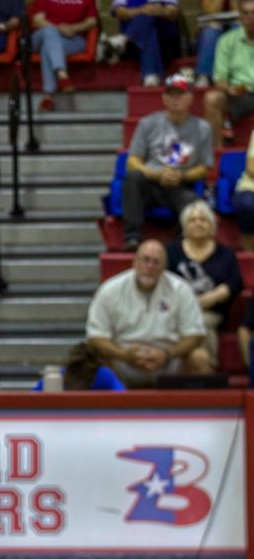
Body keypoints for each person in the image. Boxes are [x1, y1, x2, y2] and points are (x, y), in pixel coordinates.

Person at [86, 240, 209, 386]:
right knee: (94, 356)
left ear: (164, 267)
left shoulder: (181, 289)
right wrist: (124, 355)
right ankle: (112, 400)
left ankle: (190, 402)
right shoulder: (110, 290)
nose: (150, 266)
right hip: (122, 362)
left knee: (200, 357)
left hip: (169, 363)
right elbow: (96, 336)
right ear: (134, 262)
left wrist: (167, 354)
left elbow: (195, 335)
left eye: (156, 262)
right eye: (145, 260)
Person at [121, 72, 213, 252]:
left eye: (180, 94)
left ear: (190, 98)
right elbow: (132, 161)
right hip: (150, 182)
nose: (175, 99)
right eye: (171, 94)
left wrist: (181, 176)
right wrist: (156, 174)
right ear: (163, 98)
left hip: (180, 185)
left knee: (194, 203)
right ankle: (132, 237)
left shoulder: (203, 128)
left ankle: (177, 247)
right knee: (133, 178)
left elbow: (204, 168)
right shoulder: (147, 123)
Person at [166, 199, 242, 367]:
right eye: (192, 220)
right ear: (184, 226)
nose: (198, 223)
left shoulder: (225, 254)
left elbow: (236, 282)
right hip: (177, 310)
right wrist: (190, 303)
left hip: (213, 311)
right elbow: (164, 282)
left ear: (212, 226)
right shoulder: (171, 252)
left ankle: (206, 370)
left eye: (203, 220)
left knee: (201, 322)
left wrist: (217, 295)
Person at [30, 0, 98, 112]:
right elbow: (38, 20)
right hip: (42, 35)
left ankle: (48, 98)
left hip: (73, 38)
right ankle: (62, 74)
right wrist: (59, 29)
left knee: (49, 47)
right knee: (49, 33)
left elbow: (92, 21)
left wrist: (74, 28)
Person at [108, 0, 181, 86]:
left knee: (151, 21)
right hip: (134, 45)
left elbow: (173, 13)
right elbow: (120, 13)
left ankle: (123, 39)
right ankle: (151, 76)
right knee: (148, 30)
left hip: (163, 39)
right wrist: (143, 10)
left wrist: (157, 11)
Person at [202, 0, 254, 149]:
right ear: (240, 17)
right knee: (212, 98)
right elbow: (219, 79)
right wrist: (229, 88)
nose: (250, 17)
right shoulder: (226, 40)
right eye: (245, 13)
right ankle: (217, 154)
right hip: (240, 95)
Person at [194, 0, 252, 86]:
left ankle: (235, 74)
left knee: (238, 27)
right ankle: (204, 75)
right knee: (211, 29)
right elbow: (212, 11)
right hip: (215, 25)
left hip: (236, 23)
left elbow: (240, 11)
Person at [32, 341, 126, 391]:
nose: (76, 387)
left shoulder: (103, 376)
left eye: (80, 381)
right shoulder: (54, 380)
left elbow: (122, 398)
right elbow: (32, 402)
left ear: (91, 380)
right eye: (73, 379)